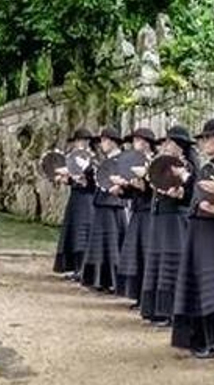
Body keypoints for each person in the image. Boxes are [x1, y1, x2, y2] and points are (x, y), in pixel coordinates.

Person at [170, 117, 214, 358]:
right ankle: (197, 336)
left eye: (208, 138)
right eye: (203, 138)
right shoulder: (207, 164)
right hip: (198, 226)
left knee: (213, 283)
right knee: (198, 282)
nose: (204, 142)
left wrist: (187, 179)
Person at [140, 126, 195, 326]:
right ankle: (156, 309)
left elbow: (192, 193)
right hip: (161, 215)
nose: (166, 145)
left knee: (171, 263)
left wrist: (182, 192)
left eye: (170, 142)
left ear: (180, 146)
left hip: (175, 219)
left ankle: (172, 311)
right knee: (157, 261)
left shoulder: (187, 166)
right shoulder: (161, 163)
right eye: (165, 142)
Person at [78, 126, 127, 293]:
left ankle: (113, 281)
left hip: (113, 205)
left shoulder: (122, 159)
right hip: (101, 204)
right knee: (100, 245)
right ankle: (99, 280)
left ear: (113, 142)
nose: (101, 144)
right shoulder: (105, 160)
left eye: (105, 140)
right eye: (101, 141)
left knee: (112, 245)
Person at [115, 128, 157, 305]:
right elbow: (132, 190)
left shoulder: (155, 161)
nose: (134, 144)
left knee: (147, 254)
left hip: (150, 213)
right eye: (134, 141)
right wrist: (122, 189)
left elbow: (156, 188)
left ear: (146, 142)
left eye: (137, 140)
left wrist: (144, 187)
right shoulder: (132, 161)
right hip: (138, 211)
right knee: (137, 255)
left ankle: (147, 297)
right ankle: (139, 296)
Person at [51, 127, 97, 279]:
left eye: (83, 140)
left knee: (84, 233)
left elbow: (93, 180)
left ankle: (84, 269)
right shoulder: (73, 157)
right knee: (74, 232)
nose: (80, 143)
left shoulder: (93, 158)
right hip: (76, 198)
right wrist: (66, 179)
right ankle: (77, 268)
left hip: (88, 199)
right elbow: (74, 177)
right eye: (78, 141)